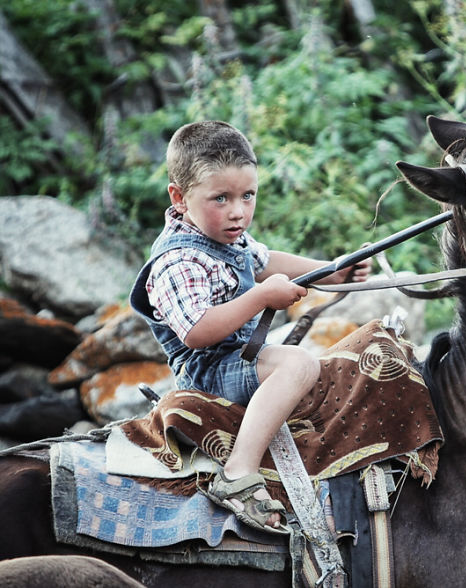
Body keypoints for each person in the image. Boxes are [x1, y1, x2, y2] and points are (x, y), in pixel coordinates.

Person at [129, 120, 371, 534]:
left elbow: (265, 261)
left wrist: (332, 272)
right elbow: (198, 332)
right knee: (299, 366)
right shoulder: (177, 260)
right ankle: (238, 473)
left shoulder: (226, 235)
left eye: (247, 195)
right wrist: (261, 297)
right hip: (207, 369)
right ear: (179, 197)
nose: (238, 211)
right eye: (220, 198)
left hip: (238, 355)